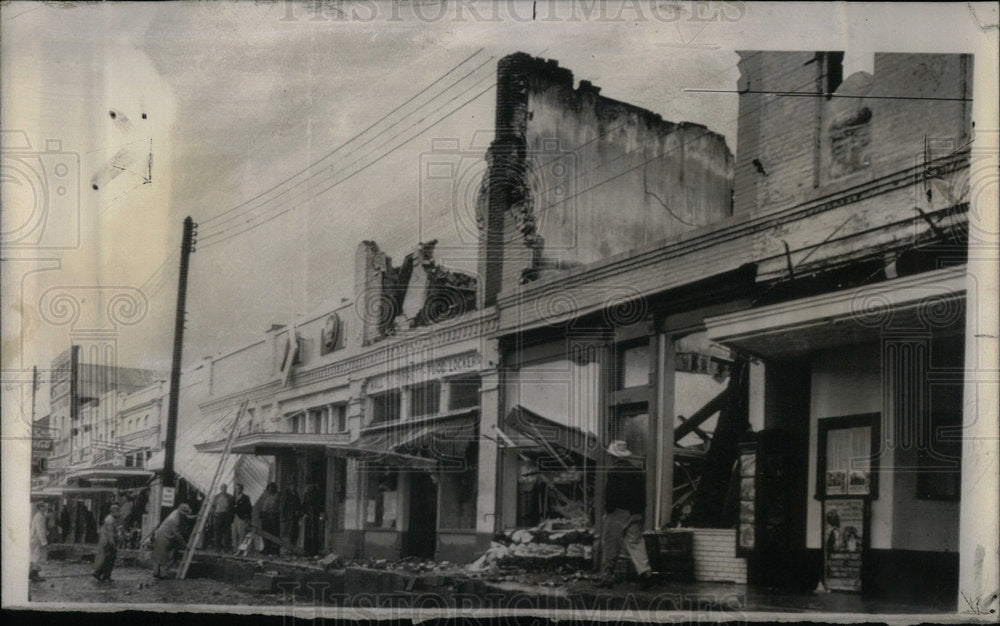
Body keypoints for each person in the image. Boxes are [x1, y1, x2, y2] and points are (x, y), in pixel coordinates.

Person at [598, 440, 652, 588]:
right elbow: (643, 494)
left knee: (610, 544)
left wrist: (608, 510)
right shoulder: (637, 471)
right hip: (636, 512)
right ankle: (645, 573)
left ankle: (606, 577)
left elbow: (610, 494)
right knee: (636, 543)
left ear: (613, 456)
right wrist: (640, 512)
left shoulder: (613, 471)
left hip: (617, 513)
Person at [152, 503, 192, 578]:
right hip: (164, 536)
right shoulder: (175, 520)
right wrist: (184, 545)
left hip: (160, 534)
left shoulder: (175, 512)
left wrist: (194, 517)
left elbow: (187, 517)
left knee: (158, 554)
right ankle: (163, 574)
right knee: (165, 555)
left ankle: (156, 572)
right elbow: (177, 534)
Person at [92, 504, 121, 582]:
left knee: (109, 559)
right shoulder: (110, 520)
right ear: (113, 511)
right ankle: (99, 573)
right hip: (108, 542)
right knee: (109, 559)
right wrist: (113, 543)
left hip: (107, 541)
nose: (119, 513)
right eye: (118, 511)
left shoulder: (111, 519)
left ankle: (105, 575)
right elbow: (110, 533)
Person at [253, 483, 280, 555]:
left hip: (272, 516)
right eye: (269, 488)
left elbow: (274, 506)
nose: (270, 490)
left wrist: (272, 513)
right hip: (265, 516)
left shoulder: (276, 496)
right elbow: (262, 505)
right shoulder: (266, 496)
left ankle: (274, 549)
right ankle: (266, 547)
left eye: (272, 488)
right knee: (265, 532)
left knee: (273, 533)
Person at [210, 483, 235, 551]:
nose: (224, 489)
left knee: (226, 532)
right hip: (218, 516)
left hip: (226, 516)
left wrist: (230, 516)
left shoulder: (230, 497)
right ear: (220, 489)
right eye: (222, 488)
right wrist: (214, 513)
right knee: (217, 532)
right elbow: (212, 506)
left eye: (225, 488)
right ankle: (218, 547)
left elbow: (232, 508)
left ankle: (226, 547)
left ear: (226, 489)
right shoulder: (216, 497)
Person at [301, 483, 323, 556]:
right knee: (311, 533)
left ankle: (311, 550)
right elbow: (305, 504)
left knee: (312, 533)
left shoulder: (310, 494)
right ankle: (310, 550)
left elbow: (305, 504)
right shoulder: (310, 494)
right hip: (311, 515)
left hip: (313, 515)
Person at [30, 502, 49, 582]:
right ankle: (33, 574)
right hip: (37, 539)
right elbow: (39, 530)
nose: (45, 507)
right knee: (37, 556)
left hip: (35, 539)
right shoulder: (40, 517)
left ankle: (35, 573)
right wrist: (43, 542)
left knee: (36, 556)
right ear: (40, 507)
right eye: (43, 506)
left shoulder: (39, 516)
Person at [231, 483, 252, 550]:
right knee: (234, 533)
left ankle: (241, 548)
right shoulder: (233, 498)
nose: (238, 490)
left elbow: (249, 508)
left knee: (241, 533)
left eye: (239, 488)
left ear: (242, 489)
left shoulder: (246, 498)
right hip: (234, 517)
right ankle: (235, 548)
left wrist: (248, 518)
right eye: (237, 488)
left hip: (241, 517)